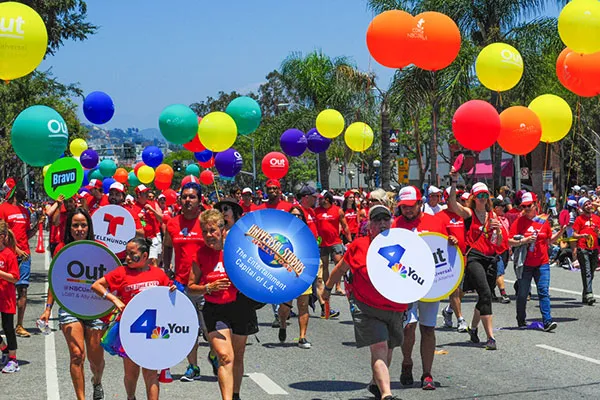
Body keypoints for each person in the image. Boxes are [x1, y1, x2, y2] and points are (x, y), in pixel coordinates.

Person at [324, 205, 407, 400]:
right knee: (379, 347)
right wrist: (327, 289)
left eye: (385, 219)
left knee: (389, 348)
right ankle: (387, 394)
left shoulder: (404, 244)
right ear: (369, 225)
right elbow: (340, 268)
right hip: (366, 307)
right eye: (377, 220)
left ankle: (376, 384)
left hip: (395, 307)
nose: (382, 224)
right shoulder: (359, 245)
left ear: (392, 222)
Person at [92, 238, 176, 400]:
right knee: (131, 373)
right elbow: (96, 285)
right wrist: (114, 299)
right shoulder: (121, 272)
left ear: (145, 256)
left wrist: (172, 289)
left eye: (132, 254)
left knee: (151, 373)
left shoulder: (158, 274)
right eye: (126, 253)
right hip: (130, 329)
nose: (127, 258)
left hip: (154, 331)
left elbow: (170, 295)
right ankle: (131, 397)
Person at [188, 210, 258, 400]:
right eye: (204, 232)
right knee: (225, 357)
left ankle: (235, 395)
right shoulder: (200, 254)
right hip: (214, 309)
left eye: (212, 230)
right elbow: (191, 287)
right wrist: (208, 287)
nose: (208, 235)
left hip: (240, 306)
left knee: (238, 355)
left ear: (222, 229)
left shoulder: (237, 250)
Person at [39, 208, 106, 400]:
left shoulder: (99, 248)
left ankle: (97, 381)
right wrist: (48, 309)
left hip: (95, 309)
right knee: (77, 355)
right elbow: (56, 280)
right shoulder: (62, 248)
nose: (79, 229)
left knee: (96, 361)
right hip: (70, 307)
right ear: (69, 228)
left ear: (89, 227)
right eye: (75, 225)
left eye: (83, 225)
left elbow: (112, 277)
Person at [393, 186, 454, 390]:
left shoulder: (435, 222)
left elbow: (445, 251)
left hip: (431, 284)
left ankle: (427, 373)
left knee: (428, 328)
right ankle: (407, 362)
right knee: (409, 326)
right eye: (404, 207)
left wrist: (452, 242)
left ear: (420, 203)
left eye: (411, 206)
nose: (407, 210)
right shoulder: (396, 225)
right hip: (406, 282)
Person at [448, 172, 506, 351]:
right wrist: (454, 182)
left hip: (490, 258)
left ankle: (473, 329)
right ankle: (490, 337)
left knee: (484, 297)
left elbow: (496, 243)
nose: (482, 198)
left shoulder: (492, 216)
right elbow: (452, 205)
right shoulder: (469, 213)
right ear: (473, 198)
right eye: (479, 196)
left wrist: (498, 231)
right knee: (486, 293)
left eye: (485, 195)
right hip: (474, 257)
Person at [163, 181, 207, 381]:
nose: (188, 200)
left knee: (210, 332)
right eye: (185, 197)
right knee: (187, 327)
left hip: (207, 284)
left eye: (192, 197)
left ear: (200, 200)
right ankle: (193, 367)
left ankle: (214, 354)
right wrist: (166, 269)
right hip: (182, 284)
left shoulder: (207, 221)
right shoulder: (172, 223)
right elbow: (167, 246)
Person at [508, 192, 563, 331]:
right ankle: (521, 319)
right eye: (524, 206)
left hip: (542, 263)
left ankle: (547, 321)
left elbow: (549, 241)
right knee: (523, 293)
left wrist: (561, 231)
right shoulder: (519, 222)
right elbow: (509, 241)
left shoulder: (543, 221)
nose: (526, 208)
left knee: (543, 291)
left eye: (529, 205)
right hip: (525, 264)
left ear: (535, 205)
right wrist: (524, 241)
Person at [0, 178, 36, 338]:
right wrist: (16, 249)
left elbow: (26, 234)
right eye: (20, 188)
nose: (24, 191)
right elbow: (3, 234)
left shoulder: (25, 211)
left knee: (22, 290)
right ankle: (6, 324)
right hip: (8, 257)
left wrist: (36, 228)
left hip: (25, 256)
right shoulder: (3, 209)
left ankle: (19, 325)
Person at [276, 206, 313, 349]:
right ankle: (283, 324)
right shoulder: (282, 233)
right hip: (286, 274)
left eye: (299, 216)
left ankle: (302, 337)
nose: (296, 218)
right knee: (285, 307)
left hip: (303, 273)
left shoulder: (307, 234)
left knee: (303, 306)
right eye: (293, 215)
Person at [440, 191, 469, 332]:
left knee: (463, 290)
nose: (459, 200)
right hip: (450, 259)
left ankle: (449, 309)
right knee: (455, 290)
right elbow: (435, 238)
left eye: (460, 197)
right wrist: (448, 239)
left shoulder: (464, 215)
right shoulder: (440, 217)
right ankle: (460, 319)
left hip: (465, 256)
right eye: (456, 197)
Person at [0, 221, 20, 373]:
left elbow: (14, 277)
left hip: (6, 298)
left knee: (8, 328)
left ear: (2, 237)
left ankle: (13, 360)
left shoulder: (9, 254)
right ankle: (5, 349)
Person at [572, 196, 600, 305]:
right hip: (583, 248)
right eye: (586, 205)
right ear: (583, 208)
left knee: (591, 272)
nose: (589, 206)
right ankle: (589, 294)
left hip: (594, 248)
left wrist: (598, 233)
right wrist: (581, 235)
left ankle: (585, 295)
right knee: (587, 271)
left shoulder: (597, 218)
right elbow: (574, 234)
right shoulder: (579, 219)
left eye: (589, 204)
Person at [130, 185, 163, 265]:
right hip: (141, 240)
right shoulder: (133, 208)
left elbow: (162, 219)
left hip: (153, 238)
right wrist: (138, 217)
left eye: (148, 192)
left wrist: (152, 210)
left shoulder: (153, 204)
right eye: (145, 193)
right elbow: (130, 225)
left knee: (153, 260)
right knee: (143, 263)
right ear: (139, 195)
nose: (148, 194)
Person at [492, 198, 511, 304]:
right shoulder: (492, 219)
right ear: (495, 208)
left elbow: (507, 233)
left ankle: (491, 291)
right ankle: (503, 294)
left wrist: (510, 248)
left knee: (498, 272)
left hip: (505, 249)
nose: (504, 208)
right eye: (501, 207)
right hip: (496, 250)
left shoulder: (505, 219)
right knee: (499, 272)